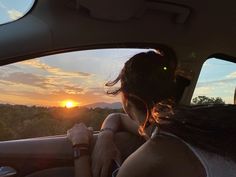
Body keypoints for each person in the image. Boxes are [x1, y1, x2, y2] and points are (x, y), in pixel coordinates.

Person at [67, 51, 236, 177]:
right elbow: (117, 118)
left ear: (128, 100)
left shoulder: (148, 160)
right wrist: (105, 136)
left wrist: (80, 145)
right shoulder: (188, 125)